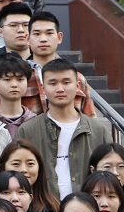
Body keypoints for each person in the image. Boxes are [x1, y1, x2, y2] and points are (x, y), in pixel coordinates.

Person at [15, 59, 114, 197]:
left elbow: (110, 172)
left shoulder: (98, 130)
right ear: (43, 88)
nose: (60, 89)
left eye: (66, 82)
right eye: (53, 83)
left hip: (87, 206)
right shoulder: (27, 130)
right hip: (41, 206)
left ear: (78, 86)